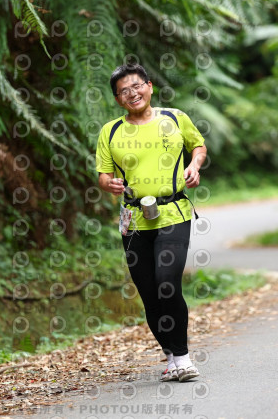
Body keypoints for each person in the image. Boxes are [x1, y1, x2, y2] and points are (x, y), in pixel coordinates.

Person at [96, 64, 207, 382]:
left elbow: (198, 146)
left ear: (150, 86)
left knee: (167, 282)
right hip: (133, 221)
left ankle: (183, 358)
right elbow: (103, 175)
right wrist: (109, 184)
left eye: (136, 86)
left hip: (173, 213)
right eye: (124, 91)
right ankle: (171, 357)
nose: (132, 93)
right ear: (118, 99)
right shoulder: (110, 132)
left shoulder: (175, 118)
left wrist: (194, 165)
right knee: (149, 292)